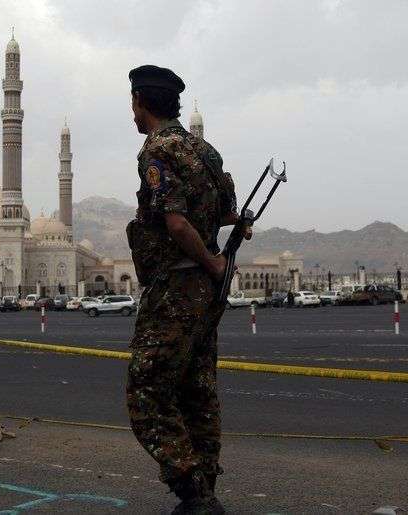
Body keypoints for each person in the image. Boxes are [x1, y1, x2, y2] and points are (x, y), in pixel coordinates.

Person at [125, 65, 250, 514]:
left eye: (133, 103)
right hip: (205, 293)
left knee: (148, 389)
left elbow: (175, 221)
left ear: (142, 102)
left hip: (176, 286)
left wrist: (211, 260)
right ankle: (206, 491)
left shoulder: (157, 150)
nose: (132, 113)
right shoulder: (204, 149)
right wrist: (217, 257)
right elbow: (227, 211)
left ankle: (193, 492)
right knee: (197, 388)